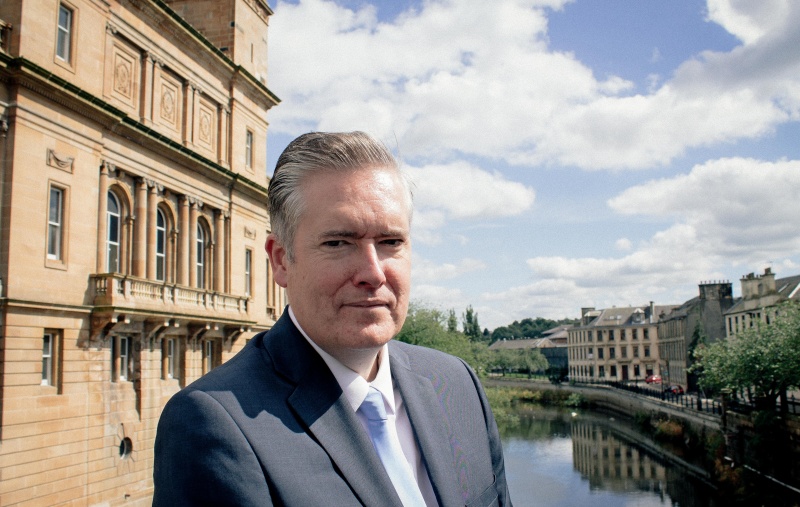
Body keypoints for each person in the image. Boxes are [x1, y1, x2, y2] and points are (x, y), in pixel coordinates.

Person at [153, 131, 511, 507]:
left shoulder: (457, 383)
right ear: (281, 260)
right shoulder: (212, 425)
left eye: (391, 242)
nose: (373, 273)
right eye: (338, 243)